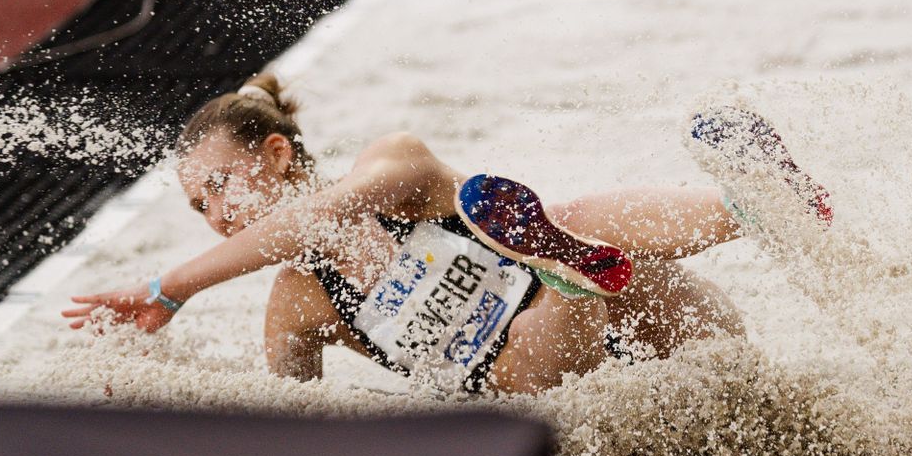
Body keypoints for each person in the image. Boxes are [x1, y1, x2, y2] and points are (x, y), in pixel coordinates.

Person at [64, 80, 831, 395]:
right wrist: (134, 366)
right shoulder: (296, 304)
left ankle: (759, 205)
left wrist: (173, 287)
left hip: (671, 334)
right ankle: (564, 271)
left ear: (275, 155)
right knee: (548, 299)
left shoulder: (394, 166)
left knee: (580, 225)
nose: (216, 215)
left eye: (222, 186)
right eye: (198, 207)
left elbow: (312, 218)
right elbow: (291, 426)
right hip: (548, 380)